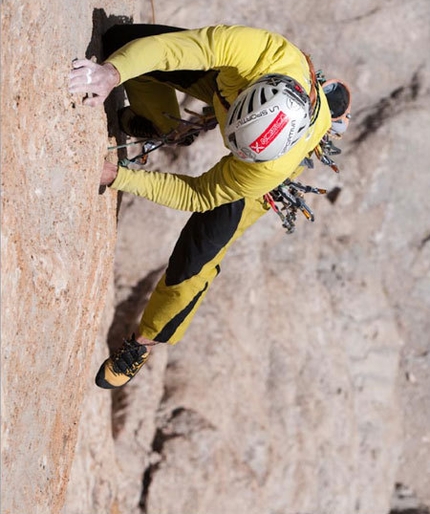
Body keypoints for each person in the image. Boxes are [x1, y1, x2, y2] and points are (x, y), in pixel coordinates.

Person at [68, 24, 351, 389]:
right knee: (124, 45)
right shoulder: (261, 53)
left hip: (257, 167)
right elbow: (175, 49)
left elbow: (199, 195)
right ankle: (159, 124)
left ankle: (144, 342)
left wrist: (119, 177)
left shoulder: (272, 168)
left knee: (197, 257)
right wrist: (111, 74)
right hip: (228, 85)